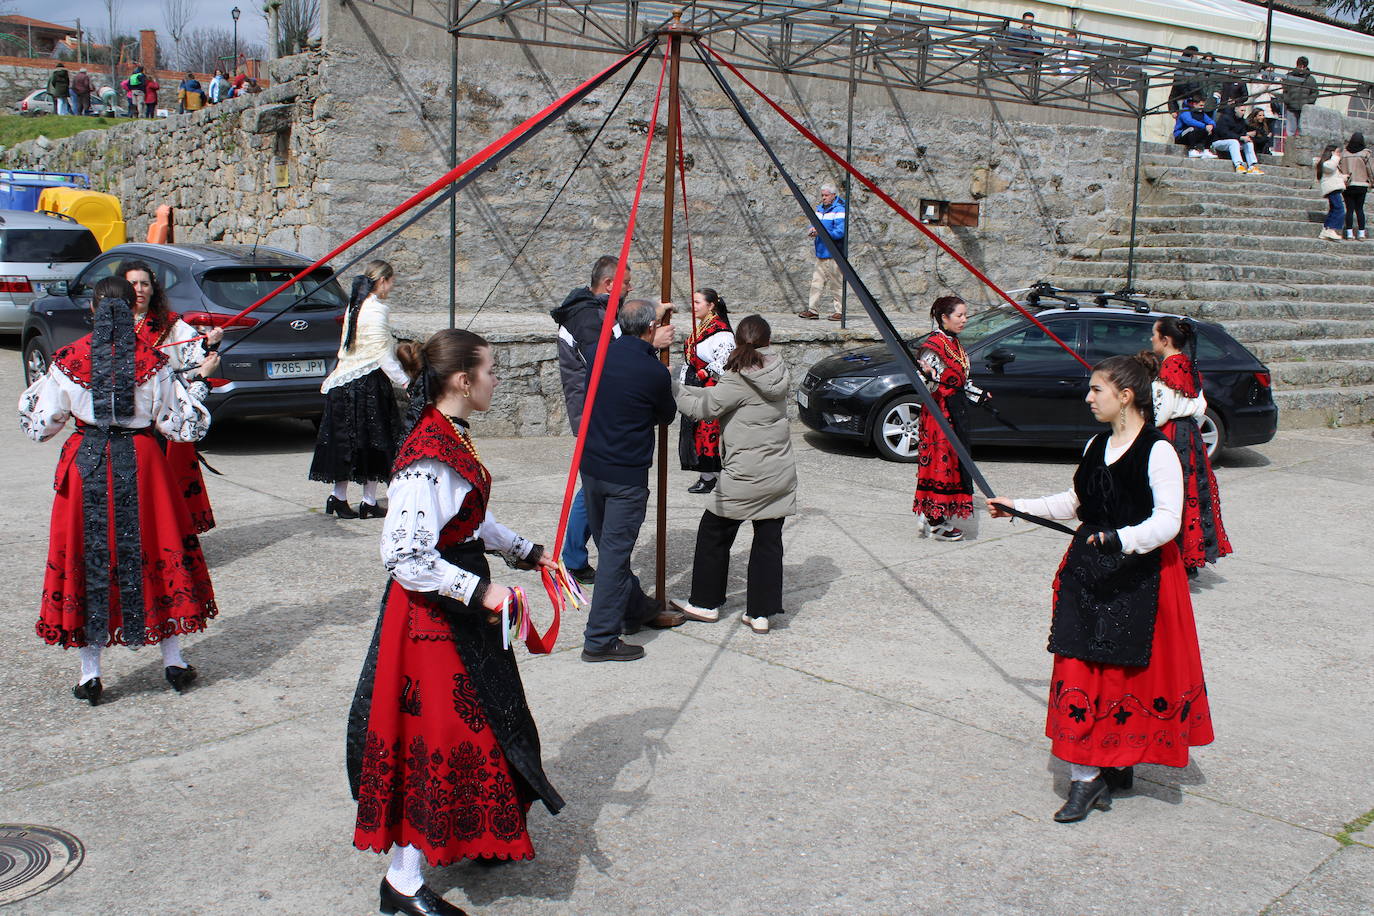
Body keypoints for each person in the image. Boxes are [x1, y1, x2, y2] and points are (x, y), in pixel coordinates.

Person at [346, 328, 564, 916]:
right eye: (489, 370)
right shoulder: (428, 457)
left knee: (486, 724)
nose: (496, 379)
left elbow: (469, 520)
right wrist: (483, 589)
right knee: (441, 738)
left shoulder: (450, 438)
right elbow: (405, 555)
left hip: (458, 608)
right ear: (462, 381)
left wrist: (528, 550)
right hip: (431, 619)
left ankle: (472, 834)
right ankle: (402, 882)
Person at [988, 354, 1214, 823]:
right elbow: (1076, 501)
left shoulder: (1158, 450)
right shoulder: (1097, 443)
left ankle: (1109, 766)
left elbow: (1169, 522)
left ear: (1125, 396)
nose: (1088, 397)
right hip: (1089, 574)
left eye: (1097, 390)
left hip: (1141, 577)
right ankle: (1088, 775)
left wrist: (1121, 539)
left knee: (1125, 676)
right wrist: (1018, 506)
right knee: (1079, 670)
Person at [18, 277, 219, 705]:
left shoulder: (67, 359)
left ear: (93, 309)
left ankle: (91, 674)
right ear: (132, 309)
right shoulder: (153, 361)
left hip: (87, 460)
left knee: (91, 558)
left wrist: (40, 392)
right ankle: (174, 663)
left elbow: (40, 426)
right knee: (155, 548)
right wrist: (199, 383)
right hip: (143, 462)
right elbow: (182, 426)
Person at [671, 315, 796, 634]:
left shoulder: (739, 376)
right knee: (768, 540)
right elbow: (714, 400)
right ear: (768, 340)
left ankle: (704, 602)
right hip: (778, 469)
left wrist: (672, 388)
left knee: (713, 533)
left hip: (745, 472)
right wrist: (688, 390)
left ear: (738, 340)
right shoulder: (777, 368)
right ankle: (761, 614)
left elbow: (705, 409)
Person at [579, 299, 686, 662]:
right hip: (625, 476)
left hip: (592, 469)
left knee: (611, 553)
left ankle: (634, 609)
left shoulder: (597, 353)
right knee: (613, 557)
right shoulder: (652, 372)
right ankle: (599, 639)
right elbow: (666, 415)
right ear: (649, 329)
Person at [123, 259, 224, 534]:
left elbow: (194, 358)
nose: (140, 289)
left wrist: (209, 344)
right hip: (128, 420)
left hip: (165, 415)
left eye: (145, 283)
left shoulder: (170, 325)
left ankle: (173, 536)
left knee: (169, 481)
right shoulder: (114, 327)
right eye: (133, 283)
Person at [310, 260, 409, 518]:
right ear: (384, 281)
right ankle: (368, 501)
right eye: (392, 281)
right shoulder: (377, 310)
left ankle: (338, 497)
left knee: (346, 443)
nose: (392, 286)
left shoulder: (354, 307)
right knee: (375, 441)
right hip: (367, 385)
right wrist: (406, 381)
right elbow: (382, 355)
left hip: (343, 382)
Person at [551, 255, 627, 584]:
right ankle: (573, 557)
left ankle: (574, 555)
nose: (630, 287)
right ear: (609, 284)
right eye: (626, 281)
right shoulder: (588, 318)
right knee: (594, 488)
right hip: (595, 415)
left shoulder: (597, 312)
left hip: (599, 413)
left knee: (593, 486)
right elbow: (608, 365)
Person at [1148, 317, 1231, 575]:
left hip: (1171, 436)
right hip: (1190, 435)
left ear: (1166, 340)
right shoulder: (1187, 365)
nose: (1151, 339)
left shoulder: (1168, 369)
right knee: (1187, 492)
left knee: (1165, 493)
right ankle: (1186, 558)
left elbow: (1160, 414)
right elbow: (1200, 406)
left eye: (1154, 334)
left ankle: (1168, 559)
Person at [913, 296, 985, 542]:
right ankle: (936, 521)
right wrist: (927, 375)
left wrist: (979, 396)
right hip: (939, 416)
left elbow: (961, 382)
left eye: (966, 315)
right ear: (944, 318)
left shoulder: (953, 343)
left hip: (955, 411)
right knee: (941, 466)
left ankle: (933, 512)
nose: (964, 320)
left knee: (954, 465)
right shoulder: (933, 346)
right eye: (960, 316)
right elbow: (926, 386)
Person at [678, 288, 734, 494]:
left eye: (697, 302)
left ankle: (719, 479)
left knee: (709, 434)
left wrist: (705, 371)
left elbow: (726, 362)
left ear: (711, 306)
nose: (693, 307)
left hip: (711, 389)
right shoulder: (702, 327)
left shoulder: (722, 332)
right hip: (696, 385)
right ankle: (706, 476)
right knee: (696, 432)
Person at [798, 183, 847, 320]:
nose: (823, 198)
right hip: (821, 251)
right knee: (816, 282)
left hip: (834, 253)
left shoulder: (840, 209)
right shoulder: (820, 209)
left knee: (836, 283)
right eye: (822, 195)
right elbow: (814, 223)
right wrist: (813, 229)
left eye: (826, 195)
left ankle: (840, 311)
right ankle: (813, 310)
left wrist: (821, 232)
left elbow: (840, 232)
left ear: (833, 195)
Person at [1211, 105, 1262, 174]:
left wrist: (1246, 136)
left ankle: (1252, 166)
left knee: (1248, 142)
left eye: (1244, 111)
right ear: (1236, 109)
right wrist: (1240, 138)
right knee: (1234, 142)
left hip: (1235, 142)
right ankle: (1238, 165)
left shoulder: (1241, 121)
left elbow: (1242, 132)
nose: (1243, 113)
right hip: (1218, 141)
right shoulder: (1225, 118)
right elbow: (1224, 133)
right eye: (1242, 110)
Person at [1339, 132, 1371, 240]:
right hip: (1361, 184)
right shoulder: (1365, 153)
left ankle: (1349, 233)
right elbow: (1370, 169)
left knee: (1349, 209)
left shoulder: (1344, 153)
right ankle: (1361, 233)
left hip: (1347, 184)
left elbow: (1338, 167)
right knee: (1360, 209)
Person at [1317, 144, 1347, 242]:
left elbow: (1333, 175)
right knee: (1339, 210)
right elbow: (1330, 168)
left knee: (1334, 209)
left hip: (1333, 187)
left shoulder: (1330, 163)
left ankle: (1326, 230)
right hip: (1332, 189)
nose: (1339, 155)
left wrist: (1344, 177)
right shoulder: (1327, 163)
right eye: (1337, 152)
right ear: (1332, 153)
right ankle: (1331, 229)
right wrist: (1335, 157)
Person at [1282, 58, 1319, 137]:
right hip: (1291, 108)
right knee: (1290, 131)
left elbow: (1315, 93)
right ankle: (1289, 147)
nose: (1302, 68)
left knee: (1303, 131)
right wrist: (1287, 101)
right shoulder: (1289, 76)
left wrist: (1308, 103)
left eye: (1304, 66)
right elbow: (1284, 90)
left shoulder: (1311, 79)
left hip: (1304, 109)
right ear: (1297, 65)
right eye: (1300, 66)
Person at [1167, 46, 1201, 114]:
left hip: (1190, 99)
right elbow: (1181, 85)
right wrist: (1192, 96)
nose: (1197, 57)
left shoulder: (1193, 68)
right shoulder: (1183, 68)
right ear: (1191, 55)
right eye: (1196, 54)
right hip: (1184, 100)